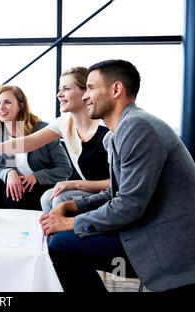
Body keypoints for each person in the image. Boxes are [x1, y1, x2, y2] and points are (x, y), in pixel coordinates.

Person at [40, 59, 195, 293]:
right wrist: (72, 207)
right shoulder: (119, 132)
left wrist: (70, 223)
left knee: (62, 244)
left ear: (116, 90)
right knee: (62, 240)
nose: (84, 96)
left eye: (91, 88)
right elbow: (116, 193)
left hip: (164, 242)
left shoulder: (137, 127)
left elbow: (129, 205)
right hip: (146, 226)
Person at [0, 67, 110, 213]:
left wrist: (36, 177)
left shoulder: (107, 130)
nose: (59, 95)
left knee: (34, 196)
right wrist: (7, 170)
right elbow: (19, 150)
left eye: (66, 89)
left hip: (47, 185)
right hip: (25, 185)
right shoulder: (62, 123)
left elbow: (33, 146)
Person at [0, 85, 72, 210]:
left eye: (8, 102)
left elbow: (65, 170)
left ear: (21, 106)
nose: (1, 107)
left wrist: (35, 177)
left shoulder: (43, 130)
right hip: (18, 184)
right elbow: (2, 167)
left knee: (12, 196)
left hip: (43, 185)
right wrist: (10, 173)